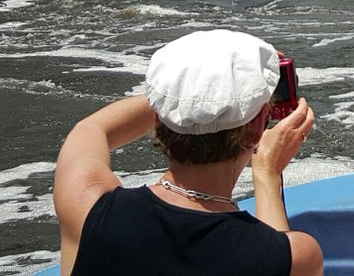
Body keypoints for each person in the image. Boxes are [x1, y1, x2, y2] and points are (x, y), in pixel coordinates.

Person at [53, 28, 323, 276]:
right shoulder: (297, 255)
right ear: (257, 127)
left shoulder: (86, 205)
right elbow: (275, 259)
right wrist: (267, 174)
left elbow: (92, 127)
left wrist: (182, 92)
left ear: (160, 116)